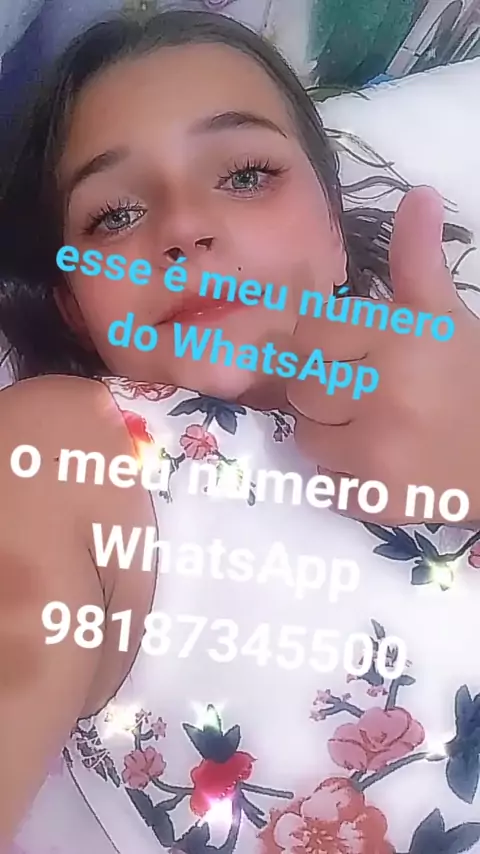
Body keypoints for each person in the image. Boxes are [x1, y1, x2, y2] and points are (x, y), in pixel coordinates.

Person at [1, 10, 480, 854]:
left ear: (333, 230)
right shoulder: (67, 459)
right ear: (76, 309)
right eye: (114, 215)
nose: (183, 227)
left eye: (247, 174)